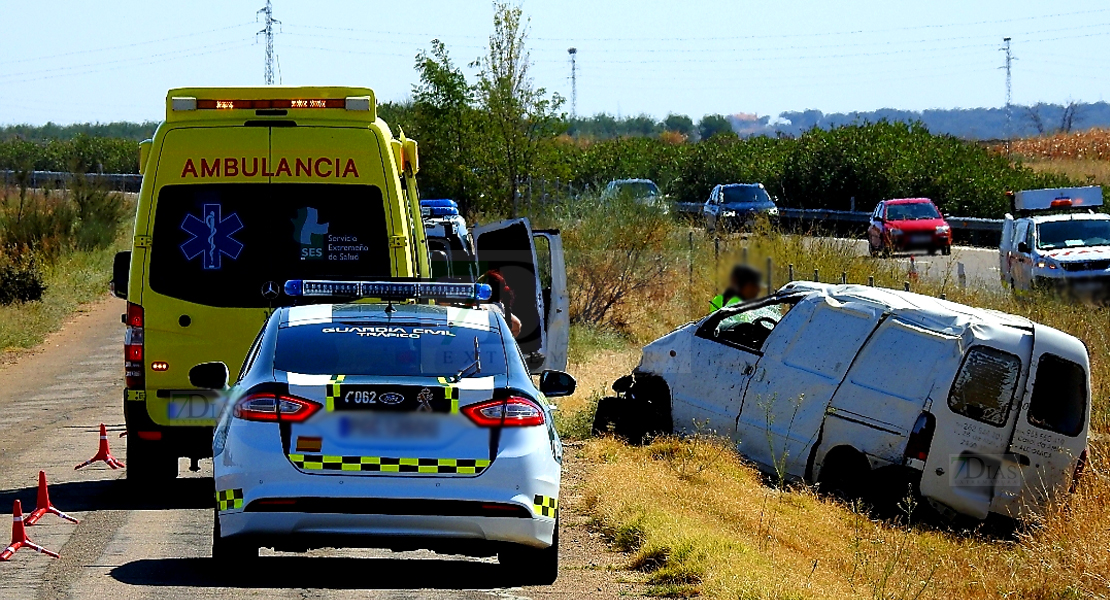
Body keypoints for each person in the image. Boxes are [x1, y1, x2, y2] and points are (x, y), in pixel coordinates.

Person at [478, 270, 522, 337]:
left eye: (478, 285)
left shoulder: (492, 308)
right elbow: (517, 325)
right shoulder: (501, 309)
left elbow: (485, 308)